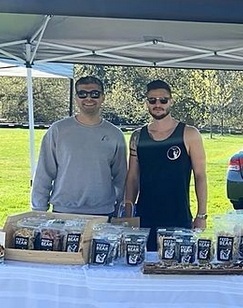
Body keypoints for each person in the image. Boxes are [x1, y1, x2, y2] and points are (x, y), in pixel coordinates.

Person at [124, 79, 207, 251]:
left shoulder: (189, 134)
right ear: (146, 103)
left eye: (163, 100)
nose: (158, 104)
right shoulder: (137, 137)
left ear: (171, 101)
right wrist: (128, 209)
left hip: (178, 215)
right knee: (142, 268)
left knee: (178, 269)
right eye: (152, 100)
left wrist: (201, 215)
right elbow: (132, 176)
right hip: (145, 217)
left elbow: (200, 176)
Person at [31, 75, 127, 216]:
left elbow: (121, 177)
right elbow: (43, 173)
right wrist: (38, 211)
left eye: (95, 94)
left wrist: (120, 209)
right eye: (82, 94)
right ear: (76, 98)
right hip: (63, 212)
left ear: (103, 98)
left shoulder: (115, 134)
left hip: (103, 213)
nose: (88, 98)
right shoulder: (58, 130)